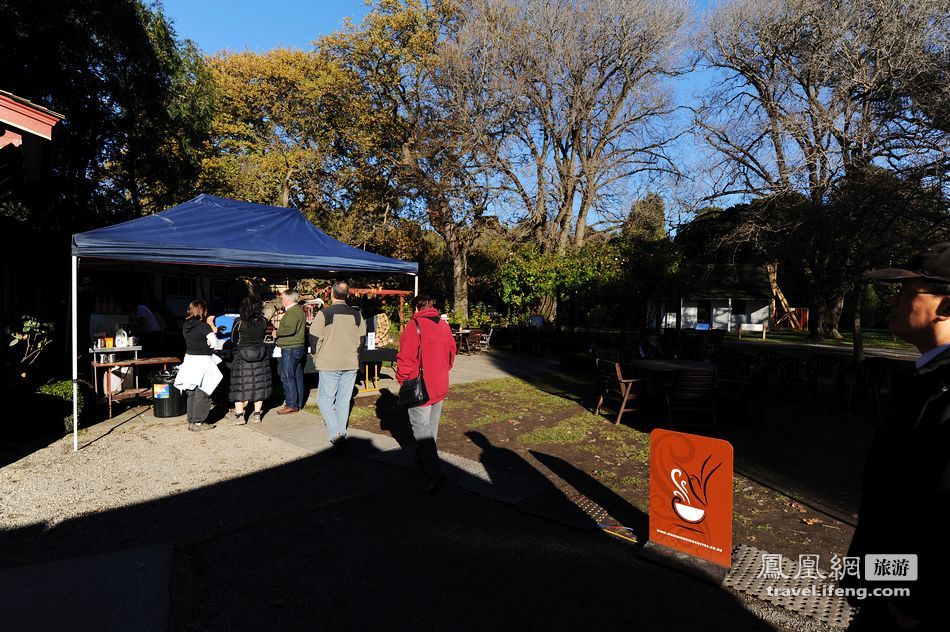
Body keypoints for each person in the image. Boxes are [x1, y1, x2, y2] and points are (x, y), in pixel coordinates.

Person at [846, 242, 950, 630]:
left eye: (908, 292)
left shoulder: (944, 390)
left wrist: (909, 607)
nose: (893, 301)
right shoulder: (925, 380)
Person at [395, 292, 457, 492]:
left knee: (423, 432)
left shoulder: (415, 327)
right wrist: (442, 370)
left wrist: (403, 380)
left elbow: (405, 359)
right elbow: (451, 353)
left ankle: (434, 472)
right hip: (439, 383)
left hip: (421, 386)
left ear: (416, 308)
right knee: (431, 429)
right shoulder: (444, 325)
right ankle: (424, 462)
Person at [309, 281, 366, 450]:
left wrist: (316, 356)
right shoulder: (357, 315)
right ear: (347, 295)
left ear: (332, 294)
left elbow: (314, 339)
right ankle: (341, 432)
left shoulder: (324, 314)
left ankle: (335, 434)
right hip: (350, 362)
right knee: (343, 400)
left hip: (329, 363)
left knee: (324, 399)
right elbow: (361, 340)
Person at [174, 300, 223, 431]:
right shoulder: (204, 326)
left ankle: (191, 420)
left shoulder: (186, 326)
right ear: (203, 311)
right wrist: (208, 342)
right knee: (203, 389)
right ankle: (198, 422)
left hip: (189, 360)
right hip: (203, 361)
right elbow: (215, 343)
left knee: (191, 391)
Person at [229, 296, 272, 424]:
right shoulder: (264, 321)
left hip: (242, 356)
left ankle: (239, 415)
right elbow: (264, 335)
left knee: (240, 386)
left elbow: (233, 339)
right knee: (260, 385)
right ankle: (257, 414)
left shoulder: (239, 321)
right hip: (260, 355)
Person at [274, 289, 307, 414]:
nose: (282, 301)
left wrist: (276, 332)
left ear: (287, 300)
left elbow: (289, 329)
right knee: (296, 375)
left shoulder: (292, 312)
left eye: (282, 299)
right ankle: (297, 402)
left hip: (290, 348)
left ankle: (291, 404)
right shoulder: (299, 311)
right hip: (296, 347)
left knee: (287, 376)